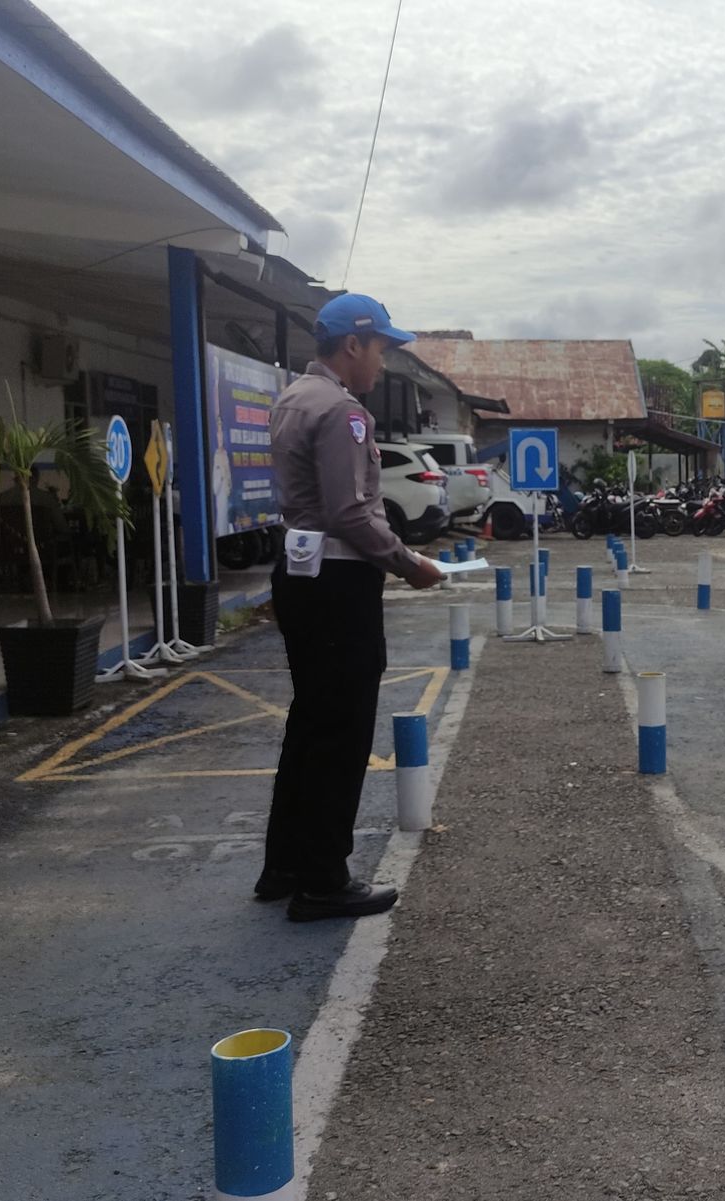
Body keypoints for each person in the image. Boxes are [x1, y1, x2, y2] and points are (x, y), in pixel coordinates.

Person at [256, 294, 442, 921]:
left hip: (300, 574)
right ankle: (323, 881)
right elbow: (349, 512)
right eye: (381, 348)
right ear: (353, 344)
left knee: (310, 721)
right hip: (338, 583)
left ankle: (284, 865)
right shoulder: (342, 411)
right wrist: (408, 564)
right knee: (341, 729)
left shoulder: (293, 398)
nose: (382, 363)